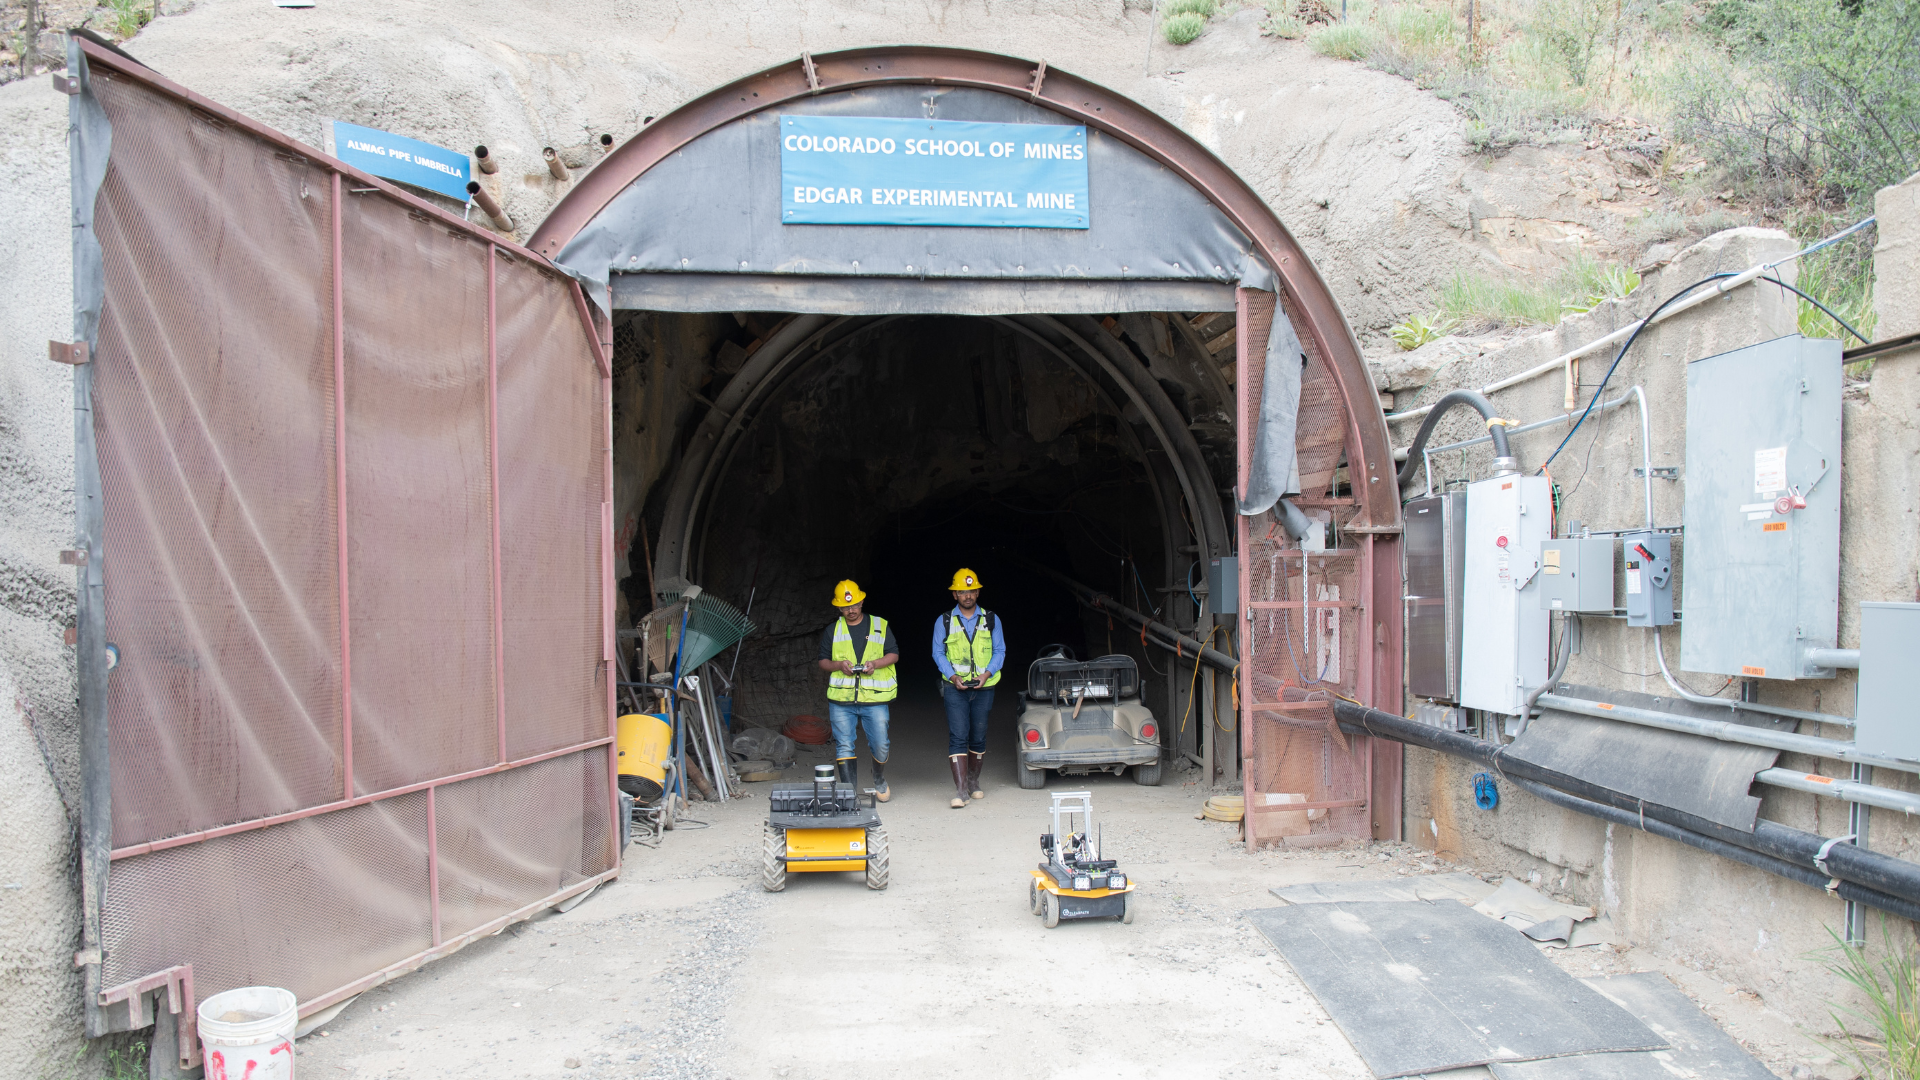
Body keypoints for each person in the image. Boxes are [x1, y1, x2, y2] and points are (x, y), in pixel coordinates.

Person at [815, 579, 899, 801]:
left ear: (862, 602)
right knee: (844, 745)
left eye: (854, 605)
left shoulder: (880, 625)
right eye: (845, 606)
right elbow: (823, 661)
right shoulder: (833, 630)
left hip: (874, 699)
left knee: (881, 744)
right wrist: (838, 666)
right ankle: (848, 793)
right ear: (838, 608)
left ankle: (879, 779)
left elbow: (894, 654)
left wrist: (876, 664)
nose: (850, 610)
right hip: (842, 700)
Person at [932, 568, 1006, 809]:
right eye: (962, 591)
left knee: (979, 735)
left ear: (977, 592)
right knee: (958, 734)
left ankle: (974, 782)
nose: (967, 595)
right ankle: (961, 790)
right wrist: (952, 677)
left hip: (984, 686)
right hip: (956, 686)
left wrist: (986, 674)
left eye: (971, 590)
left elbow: (1000, 651)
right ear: (955, 594)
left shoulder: (991, 619)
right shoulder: (944, 620)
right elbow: (938, 653)